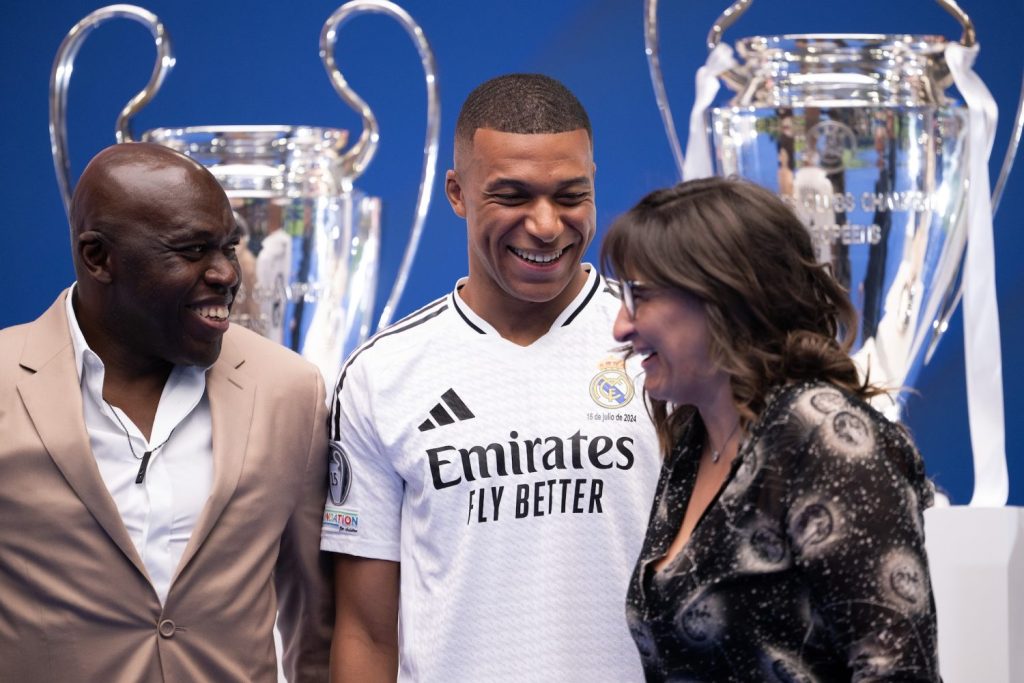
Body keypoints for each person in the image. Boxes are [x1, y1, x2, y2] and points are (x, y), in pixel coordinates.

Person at [320, 74, 660, 681]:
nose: (547, 225)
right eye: (513, 196)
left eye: (571, 195)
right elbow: (366, 632)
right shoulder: (382, 374)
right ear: (457, 193)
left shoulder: (661, 345)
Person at [0, 142, 333, 681]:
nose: (226, 273)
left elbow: (319, 628)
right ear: (97, 257)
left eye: (229, 247)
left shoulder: (290, 389)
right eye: (192, 250)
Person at [601, 176, 940, 682]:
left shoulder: (824, 436)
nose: (620, 327)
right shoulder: (695, 441)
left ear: (724, 297)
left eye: (640, 296)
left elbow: (897, 671)